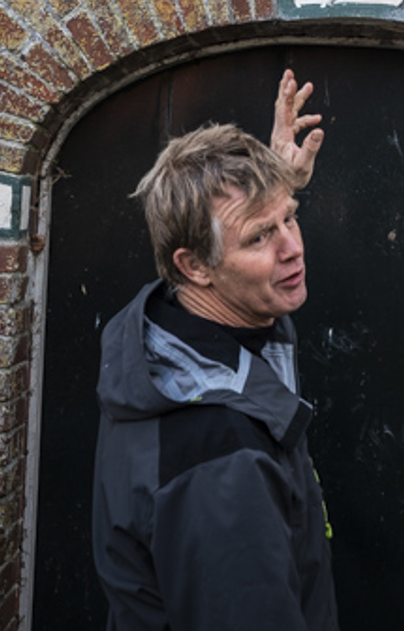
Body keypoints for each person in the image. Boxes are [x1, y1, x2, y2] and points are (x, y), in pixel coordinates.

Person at [90, 69, 339, 631]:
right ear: (194, 266)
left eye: (291, 219)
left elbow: (242, 269)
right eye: (260, 238)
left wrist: (277, 186)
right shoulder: (219, 460)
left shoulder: (176, 335)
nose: (292, 247)